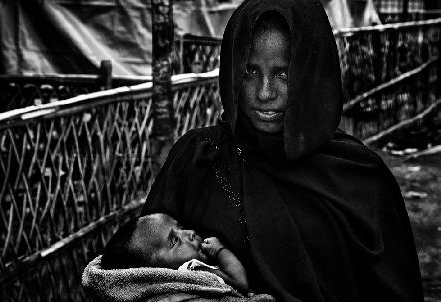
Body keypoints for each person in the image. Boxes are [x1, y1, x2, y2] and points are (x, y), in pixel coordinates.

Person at [142, 0, 423, 301]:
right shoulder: (196, 160)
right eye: (250, 71)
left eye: (284, 74)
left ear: (314, 73)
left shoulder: (361, 179)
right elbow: (140, 274)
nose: (265, 93)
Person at [100, 213, 250, 294]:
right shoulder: (192, 269)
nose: (190, 233)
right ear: (154, 271)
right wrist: (219, 250)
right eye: (174, 241)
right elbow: (240, 283)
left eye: (181, 227)